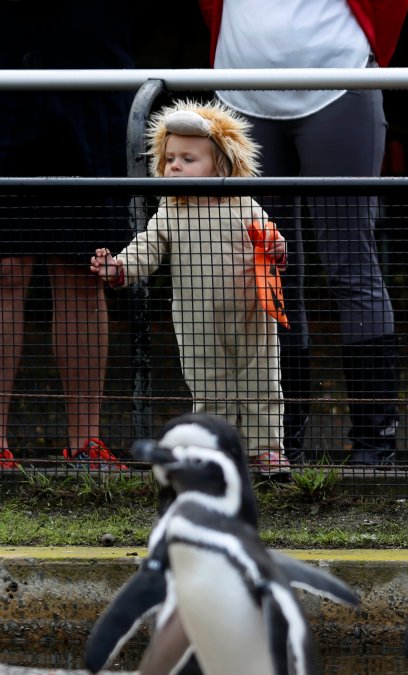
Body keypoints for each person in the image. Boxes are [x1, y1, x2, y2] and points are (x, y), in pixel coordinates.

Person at [198, 0, 408, 465]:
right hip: (239, 95)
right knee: (264, 271)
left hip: (339, 84)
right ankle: (275, 441)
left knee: (351, 265)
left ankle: (374, 444)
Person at [90, 100, 291, 477]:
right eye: (169, 159)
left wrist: (278, 248)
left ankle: (266, 451)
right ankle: (217, 451)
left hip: (252, 315)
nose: (175, 166)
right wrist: (117, 269)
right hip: (196, 320)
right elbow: (144, 251)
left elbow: (272, 241)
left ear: (221, 163)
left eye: (188, 158)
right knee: (209, 386)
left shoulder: (243, 204)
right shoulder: (169, 211)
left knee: (262, 382)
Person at [0, 1, 135, 472]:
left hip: (92, 88)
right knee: (5, 270)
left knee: (83, 269)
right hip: (7, 87)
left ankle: (85, 444)